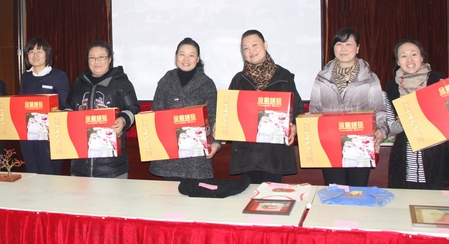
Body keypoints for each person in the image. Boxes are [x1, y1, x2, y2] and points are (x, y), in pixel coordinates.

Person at [309, 28, 388, 186]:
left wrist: (381, 131)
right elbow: (315, 111)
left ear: (357, 48)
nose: (343, 49)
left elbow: (379, 110)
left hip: (360, 145)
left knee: (357, 191)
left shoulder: (370, 78)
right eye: (339, 44)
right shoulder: (322, 78)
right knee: (335, 191)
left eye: (348, 44)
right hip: (330, 144)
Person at [383, 39, 449, 189]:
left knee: (434, 201)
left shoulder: (438, 83)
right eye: (403, 56)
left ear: (421, 57)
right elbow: (391, 127)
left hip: (436, 156)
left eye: (414, 54)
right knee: (406, 199)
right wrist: (402, 122)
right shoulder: (391, 88)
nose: (409, 60)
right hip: (406, 159)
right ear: (398, 62)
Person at [229, 30, 305, 184]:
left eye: (254, 45)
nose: (251, 51)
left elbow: (298, 110)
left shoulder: (284, 77)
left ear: (265, 44)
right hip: (247, 154)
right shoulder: (239, 80)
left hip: (274, 154)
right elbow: (229, 114)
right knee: (250, 195)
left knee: (272, 196)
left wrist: (294, 127)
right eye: (245, 48)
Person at [150, 37, 222, 180]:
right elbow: (156, 113)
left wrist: (216, 143)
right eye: (182, 54)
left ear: (198, 59)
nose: (186, 59)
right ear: (176, 56)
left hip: (196, 159)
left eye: (191, 55)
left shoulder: (207, 84)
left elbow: (214, 117)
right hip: (169, 157)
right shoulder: (166, 81)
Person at [67, 40, 140, 178]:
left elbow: (133, 108)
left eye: (101, 57)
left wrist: (123, 120)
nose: (97, 62)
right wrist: (64, 118)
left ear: (110, 59)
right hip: (80, 164)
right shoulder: (78, 83)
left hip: (112, 166)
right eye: (92, 58)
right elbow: (68, 107)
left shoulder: (121, 82)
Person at [19, 37, 70, 174]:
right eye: (31, 52)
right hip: (28, 135)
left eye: (39, 51)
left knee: (50, 175)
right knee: (32, 174)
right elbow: (20, 103)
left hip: (49, 137)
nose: (35, 55)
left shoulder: (58, 76)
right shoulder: (25, 77)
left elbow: (64, 104)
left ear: (47, 54)